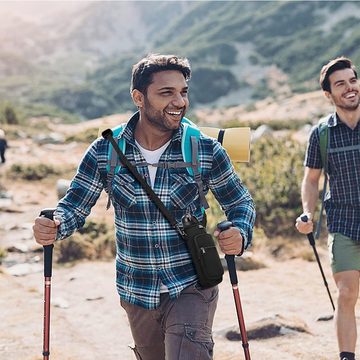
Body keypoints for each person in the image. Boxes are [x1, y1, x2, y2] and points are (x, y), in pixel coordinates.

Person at [33, 54, 255, 360]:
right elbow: (74, 205)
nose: (179, 101)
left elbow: (240, 202)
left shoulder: (204, 149)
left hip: (191, 284)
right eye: (167, 93)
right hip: (136, 289)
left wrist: (241, 233)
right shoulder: (106, 150)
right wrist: (55, 224)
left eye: (183, 92)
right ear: (139, 97)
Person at [296, 56, 360, 360]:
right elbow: (311, 180)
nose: (349, 87)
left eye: (352, 80)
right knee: (347, 293)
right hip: (343, 222)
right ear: (328, 94)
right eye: (340, 84)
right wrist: (307, 212)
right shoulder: (321, 134)